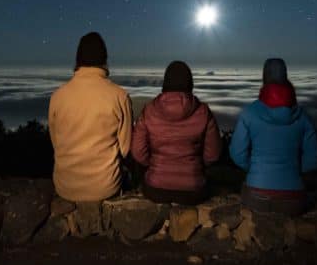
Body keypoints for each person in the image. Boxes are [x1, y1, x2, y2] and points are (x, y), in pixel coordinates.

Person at [229, 58, 317, 216]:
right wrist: (293, 172)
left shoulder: (249, 113)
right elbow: (313, 160)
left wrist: (256, 170)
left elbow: (237, 154)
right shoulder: (303, 117)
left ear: (264, 78)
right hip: (294, 200)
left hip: (256, 196)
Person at [48, 32, 133, 202]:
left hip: (65, 187)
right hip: (106, 187)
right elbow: (125, 149)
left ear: (77, 60)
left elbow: (56, 143)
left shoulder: (58, 96)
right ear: (105, 59)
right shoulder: (119, 96)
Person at [131, 61, 222, 205]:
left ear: (165, 83)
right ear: (190, 83)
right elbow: (213, 155)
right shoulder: (203, 111)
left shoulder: (148, 110)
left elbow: (137, 152)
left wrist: (154, 165)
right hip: (194, 191)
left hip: (155, 189)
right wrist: (197, 165)